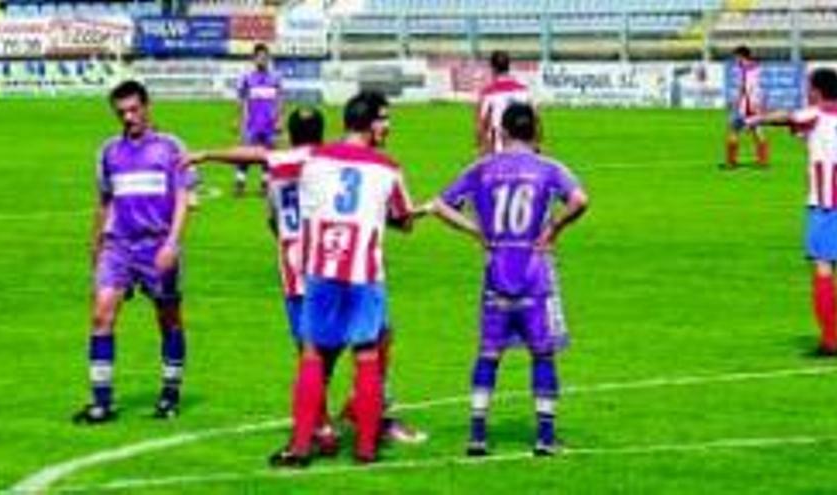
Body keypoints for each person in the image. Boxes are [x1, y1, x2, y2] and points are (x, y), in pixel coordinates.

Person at [417, 102, 588, 456]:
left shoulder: (482, 169)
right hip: (534, 273)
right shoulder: (548, 168)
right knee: (543, 353)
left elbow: (439, 204)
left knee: (489, 353)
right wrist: (555, 227)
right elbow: (580, 200)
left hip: (496, 271)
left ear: (502, 132)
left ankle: (477, 434)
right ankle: (545, 437)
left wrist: (475, 230)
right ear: (536, 132)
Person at [270, 91, 414, 468]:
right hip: (364, 273)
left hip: (322, 268)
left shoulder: (314, 159)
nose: (388, 127)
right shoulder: (388, 168)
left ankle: (301, 446)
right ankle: (365, 449)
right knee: (366, 353)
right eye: (384, 120)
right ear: (369, 124)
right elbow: (405, 219)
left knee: (313, 353)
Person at [73, 80, 195, 424]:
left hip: (158, 245)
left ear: (147, 106)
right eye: (121, 112)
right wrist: (95, 242)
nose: (128, 117)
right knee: (101, 315)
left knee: (168, 319)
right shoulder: (108, 151)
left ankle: (169, 394)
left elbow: (185, 197)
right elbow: (104, 200)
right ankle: (101, 401)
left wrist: (173, 242)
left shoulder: (171, 147)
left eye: (133, 110)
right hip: (119, 246)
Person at [747, 68, 837, 355]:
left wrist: (756, 118)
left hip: (826, 205)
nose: (806, 91)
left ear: (818, 91)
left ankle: (831, 341)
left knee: (823, 268)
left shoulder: (816, 114)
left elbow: (788, 117)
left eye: (809, 87)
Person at [235, 43, 282, 197]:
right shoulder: (247, 78)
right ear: (254, 59)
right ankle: (240, 184)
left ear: (268, 58)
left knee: (268, 156)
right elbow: (241, 100)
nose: (262, 60)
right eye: (259, 57)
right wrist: (239, 120)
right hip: (252, 124)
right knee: (245, 155)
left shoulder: (275, 77)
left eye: (265, 57)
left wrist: (279, 119)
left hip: (269, 124)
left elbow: (280, 99)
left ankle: (264, 185)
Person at [477, 50, 533, 154]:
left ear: (492, 68)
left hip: (499, 150)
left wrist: (481, 148)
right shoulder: (523, 90)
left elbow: (481, 124)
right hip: (523, 149)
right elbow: (535, 118)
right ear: (509, 66)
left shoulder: (488, 93)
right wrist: (535, 145)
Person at [725, 45, 769, 169]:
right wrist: (759, 104)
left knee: (734, 130)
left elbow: (744, 88)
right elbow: (757, 87)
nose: (735, 59)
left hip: (747, 105)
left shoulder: (744, 68)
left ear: (740, 55)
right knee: (757, 131)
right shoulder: (756, 66)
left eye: (736, 56)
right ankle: (763, 161)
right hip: (755, 103)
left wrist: (736, 103)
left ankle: (731, 162)